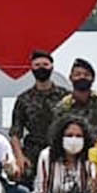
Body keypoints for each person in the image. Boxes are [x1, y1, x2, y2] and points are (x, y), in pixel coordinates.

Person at [10, 50, 70, 183]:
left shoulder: (65, 97)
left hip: (60, 150)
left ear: (52, 67)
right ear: (31, 69)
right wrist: (19, 157)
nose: (41, 68)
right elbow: (15, 133)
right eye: (37, 65)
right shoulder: (24, 99)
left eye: (45, 64)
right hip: (32, 153)